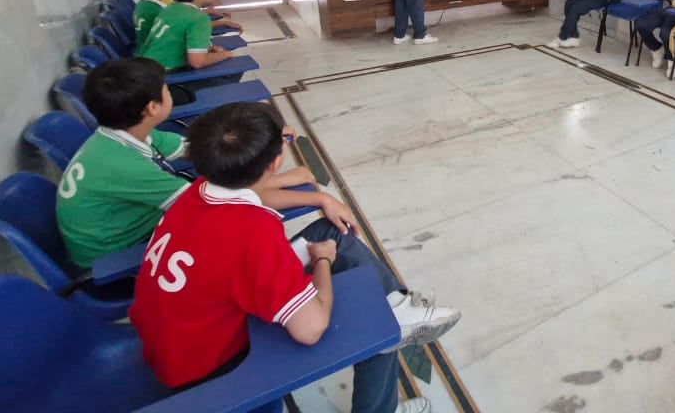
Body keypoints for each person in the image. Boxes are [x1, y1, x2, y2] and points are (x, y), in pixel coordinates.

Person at [129, 102, 460, 413]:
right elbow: (310, 329)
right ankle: (391, 333)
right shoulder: (254, 233)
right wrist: (322, 262)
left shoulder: (197, 191)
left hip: (171, 340)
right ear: (275, 161)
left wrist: (320, 199)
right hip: (211, 370)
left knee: (333, 235)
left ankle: (398, 306)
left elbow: (254, 195)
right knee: (375, 320)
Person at [55, 58, 332, 268]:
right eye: (166, 89)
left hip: (124, 228)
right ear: (152, 107)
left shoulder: (124, 135)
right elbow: (215, 205)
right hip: (114, 257)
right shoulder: (124, 166)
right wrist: (310, 194)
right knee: (247, 236)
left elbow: (203, 149)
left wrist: (260, 136)